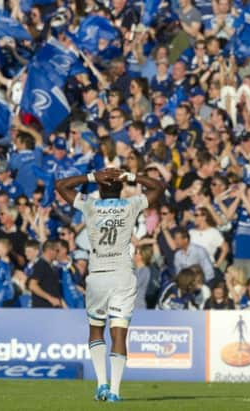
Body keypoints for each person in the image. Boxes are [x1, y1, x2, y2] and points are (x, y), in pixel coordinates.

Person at [55, 167, 164, 402]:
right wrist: (132, 176)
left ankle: (101, 385)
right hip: (123, 274)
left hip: (98, 274)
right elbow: (159, 187)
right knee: (119, 334)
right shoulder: (131, 204)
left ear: (101, 188)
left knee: (96, 329)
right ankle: (114, 391)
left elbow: (61, 186)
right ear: (122, 187)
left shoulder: (90, 205)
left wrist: (92, 177)